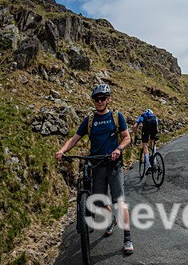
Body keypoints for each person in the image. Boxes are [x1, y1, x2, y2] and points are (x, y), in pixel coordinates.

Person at [55, 83, 134, 255]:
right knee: (99, 201)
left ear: (108, 99)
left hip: (113, 166)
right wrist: (62, 150)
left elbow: (127, 138)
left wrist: (118, 149)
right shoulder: (89, 121)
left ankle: (127, 238)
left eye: (102, 98)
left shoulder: (116, 116)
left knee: (119, 202)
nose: (99, 102)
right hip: (96, 166)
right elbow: (74, 138)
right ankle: (111, 219)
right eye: (96, 99)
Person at [133, 109, 158, 173]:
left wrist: (136, 135)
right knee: (152, 142)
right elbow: (157, 129)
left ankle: (148, 166)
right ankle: (154, 162)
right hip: (154, 123)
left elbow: (134, 126)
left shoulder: (142, 116)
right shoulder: (154, 117)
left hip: (146, 125)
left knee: (144, 144)